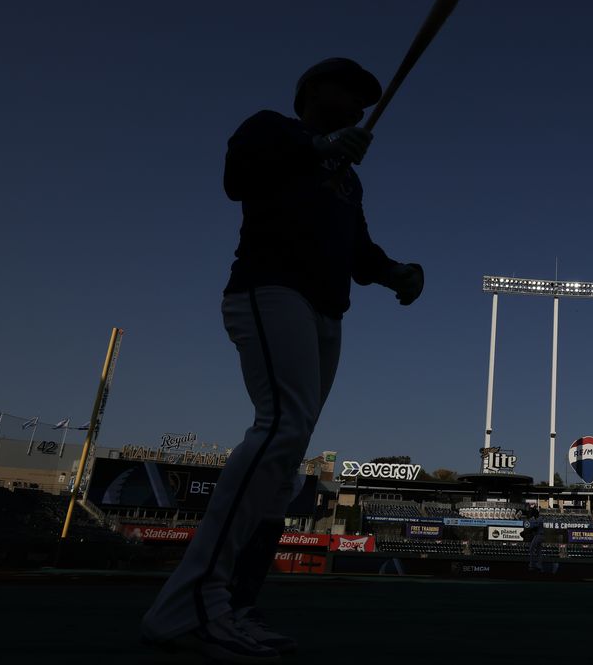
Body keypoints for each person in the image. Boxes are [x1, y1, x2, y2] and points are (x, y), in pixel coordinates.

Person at [141, 58, 424, 662]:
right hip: (269, 290)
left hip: (326, 310)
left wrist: (393, 271)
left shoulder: (348, 178)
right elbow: (237, 177)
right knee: (280, 428)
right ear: (312, 93)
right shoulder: (270, 127)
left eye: (363, 101)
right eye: (348, 92)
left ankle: (235, 607)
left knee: (287, 450)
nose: (358, 105)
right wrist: (318, 147)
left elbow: (357, 250)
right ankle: (188, 605)